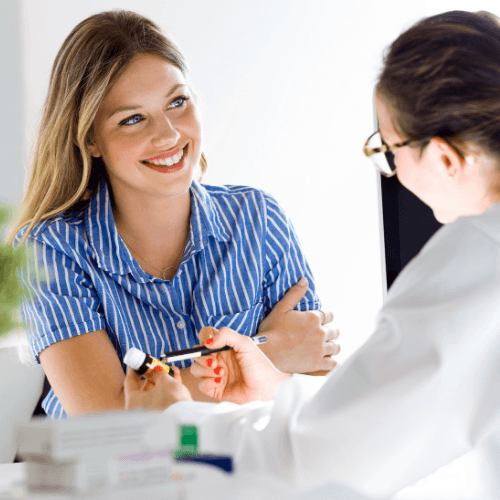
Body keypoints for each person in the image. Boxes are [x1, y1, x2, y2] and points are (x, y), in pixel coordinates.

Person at [123, 10, 500, 498]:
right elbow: (387, 422)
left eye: (389, 152)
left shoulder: (477, 260)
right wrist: (273, 392)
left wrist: (174, 427)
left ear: (446, 157)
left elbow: (321, 462)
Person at [10, 10, 340, 419]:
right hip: (115, 477)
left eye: (177, 102)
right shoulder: (50, 249)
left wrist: (273, 355)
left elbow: (321, 390)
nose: (168, 135)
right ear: (91, 138)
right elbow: (106, 415)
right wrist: (270, 352)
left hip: (246, 470)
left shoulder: (259, 219)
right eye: (132, 119)